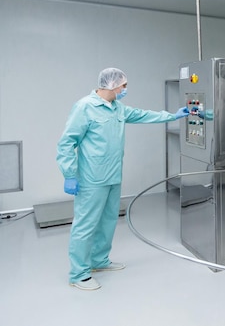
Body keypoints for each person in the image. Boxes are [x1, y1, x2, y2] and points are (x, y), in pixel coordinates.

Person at [56, 67, 189, 291]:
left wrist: (172, 115)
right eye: (123, 86)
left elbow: (144, 115)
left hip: (113, 175)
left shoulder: (117, 108)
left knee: (108, 221)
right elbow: (67, 142)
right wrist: (69, 174)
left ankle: (99, 261)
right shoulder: (85, 107)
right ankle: (78, 274)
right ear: (111, 85)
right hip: (91, 179)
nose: (125, 89)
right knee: (85, 225)